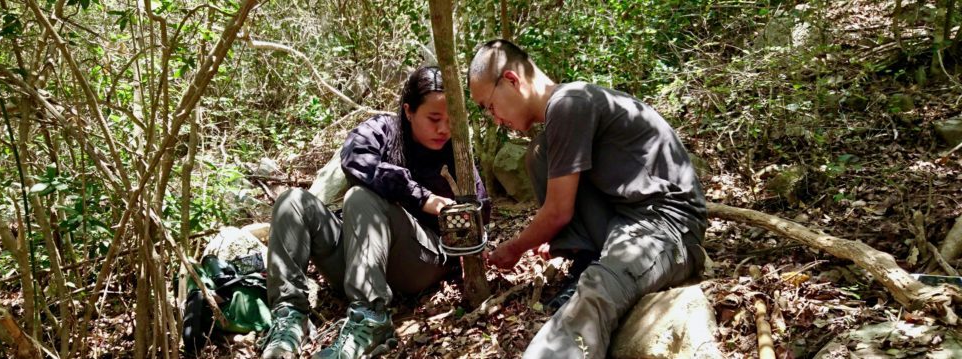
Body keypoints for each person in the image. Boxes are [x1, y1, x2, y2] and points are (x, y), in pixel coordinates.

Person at [467, 40, 707, 358]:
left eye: (490, 106)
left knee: (599, 289)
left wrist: (514, 248)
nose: (494, 119)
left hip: (668, 224)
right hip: (626, 214)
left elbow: (557, 212)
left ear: (512, 80)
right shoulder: (562, 111)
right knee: (539, 152)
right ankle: (585, 257)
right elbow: (562, 203)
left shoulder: (569, 103)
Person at [259, 66, 491, 359]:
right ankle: (289, 316)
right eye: (434, 119)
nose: (443, 129)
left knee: (359, 197)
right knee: (292, 200)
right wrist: (421, 197)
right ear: (408, 111)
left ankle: (371, 319)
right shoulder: (383, 130)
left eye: (450, 120)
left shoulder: (456, 151)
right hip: (359, 258)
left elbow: (481, 214)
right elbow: (355, 160)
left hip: (420, 260)